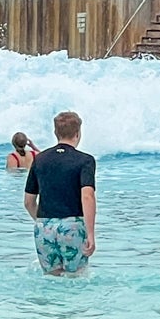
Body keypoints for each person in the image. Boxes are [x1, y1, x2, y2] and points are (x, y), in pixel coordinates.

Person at [23, 111, 97, 277]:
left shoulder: (39, 159)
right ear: (78, 134)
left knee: (51, 278)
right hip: (72, 226)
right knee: (75, 278)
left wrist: (44, 223)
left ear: (55, 133)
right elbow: (87, 196)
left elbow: (28, 201)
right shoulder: (85, 160)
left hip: (44, 225)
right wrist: (91, 233)